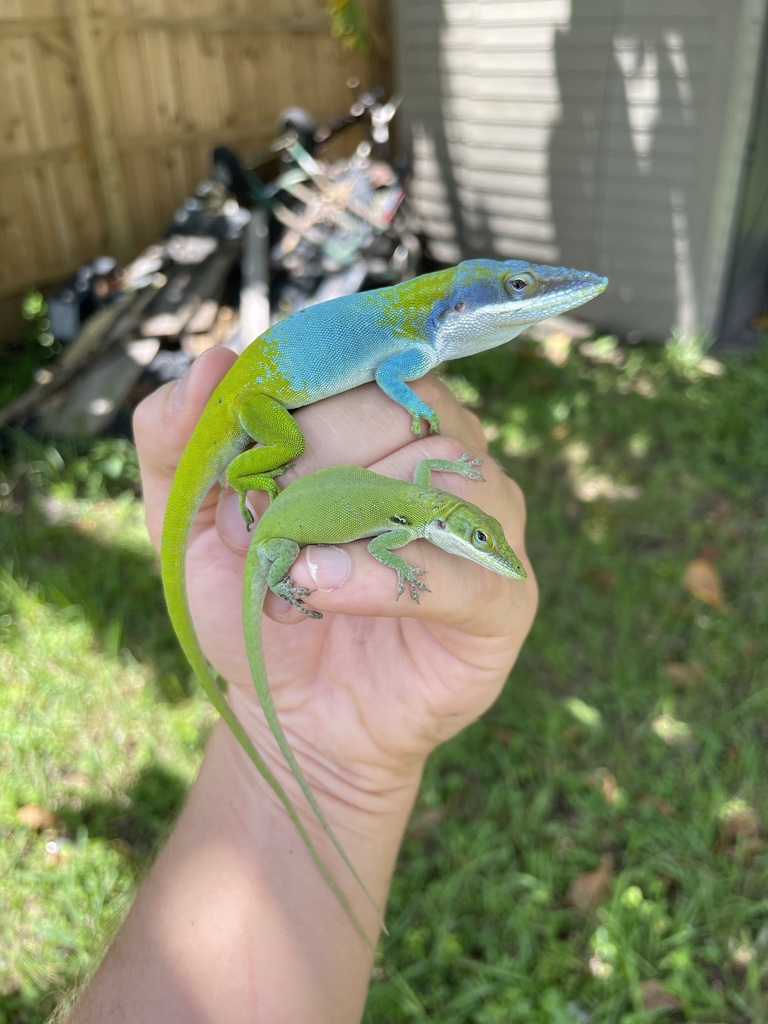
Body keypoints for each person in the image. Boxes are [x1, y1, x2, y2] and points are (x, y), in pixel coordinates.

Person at [64, 346, 538, 1024]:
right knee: (293, 533)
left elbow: (421, 488)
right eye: (482, 542)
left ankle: (276, 558)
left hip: (297, 561)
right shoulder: (408, 521)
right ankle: (275, 562)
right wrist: (402, 570)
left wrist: (330, 758)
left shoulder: (426, 501)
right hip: (280, 543)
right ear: (452, 527)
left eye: (485, 545)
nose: (490, 554)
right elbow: (381, 544)